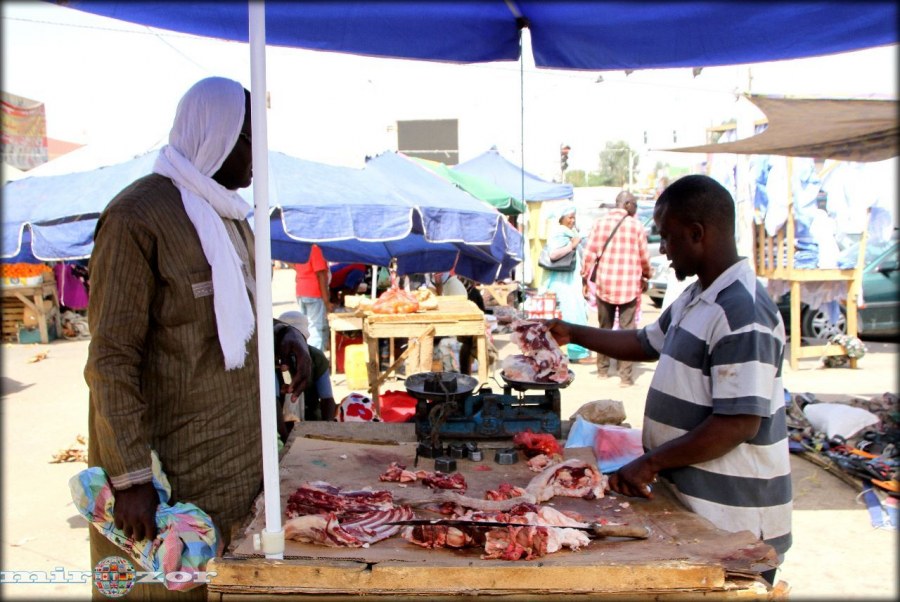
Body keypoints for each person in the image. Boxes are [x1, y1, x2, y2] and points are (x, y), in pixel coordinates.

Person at [84, 77, 312, 600]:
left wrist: (283, 335)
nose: (259, 155)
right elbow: (111, 359)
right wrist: (131, 478)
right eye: (252, 138)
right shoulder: (136, 217)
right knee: (166, 589)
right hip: (171, 472)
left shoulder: (230, 217)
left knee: (227, 584)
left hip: (236, 461)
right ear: (220, 135)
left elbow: (236, 316)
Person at [548, 175, 792, 584]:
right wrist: (572, 332)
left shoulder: (742, 312)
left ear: (697, 233)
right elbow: (645, 342)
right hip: (696, 509)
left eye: (667, 237)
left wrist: (651, 462)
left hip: (736, 522)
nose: (662, 249)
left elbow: (738, 424)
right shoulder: (698, 296)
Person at [581, 190, 652, 385]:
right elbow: (644, 257)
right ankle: (625, 377)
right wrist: (647, 275)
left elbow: (589, 253)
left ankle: (602, 370)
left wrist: (585, 279)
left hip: (604, 284)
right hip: (629, 286)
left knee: (604, 328)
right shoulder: (636, 226)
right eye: (635, 205)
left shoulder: (600, 223)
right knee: (628, 331)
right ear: (627, 204)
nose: (635, 209)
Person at [542, 204, 590, 363]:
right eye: (570, 217)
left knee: (574, 314)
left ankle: (573, 352)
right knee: (573, 316)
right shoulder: (558, 233)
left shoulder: (571, 232)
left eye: (574, 217)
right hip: (563, 283)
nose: (572, 220)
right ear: (561, 218)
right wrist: (572, 245)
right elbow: (553, 254)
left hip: (571, 281)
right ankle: (577, 354)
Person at [277, 311, 337, 434]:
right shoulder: (272, 361)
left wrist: (328, 429)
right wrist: (285, 437)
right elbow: (274, 402)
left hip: (311, 421)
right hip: (279, 424)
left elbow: (327, 399)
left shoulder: (316, 357)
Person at [293, 244, 332, 349]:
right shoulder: (315, 249)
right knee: (316, 329)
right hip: (314, 293)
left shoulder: (302, 248)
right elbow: (321, 274)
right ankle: (314, 357)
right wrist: (326, 301)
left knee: (306, 328)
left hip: (301, 291)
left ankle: (306, 354)